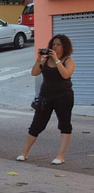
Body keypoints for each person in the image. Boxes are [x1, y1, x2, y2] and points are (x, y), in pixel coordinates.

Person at [17, 34, 75, 165]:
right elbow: (34, 73)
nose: (55, 47)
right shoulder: (46, 59)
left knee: (64, 124)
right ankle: (24, 153)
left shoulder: (68, 60)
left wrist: (57, 60)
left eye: (59, 44)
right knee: (37, 124)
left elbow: (66, 75)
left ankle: (60, 156)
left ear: (65, 46)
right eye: (53, 44)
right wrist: (39, 59)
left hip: (63, 96)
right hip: (46, 96)